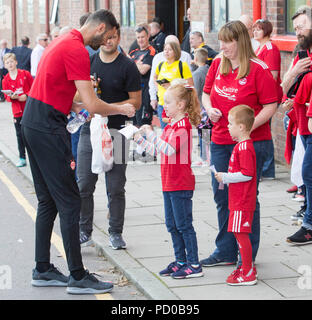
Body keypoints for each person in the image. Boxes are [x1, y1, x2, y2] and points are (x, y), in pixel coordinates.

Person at [21, 9, 135, 295]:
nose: (107, 41)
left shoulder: (62, 40)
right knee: (71, 201)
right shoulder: (77, 49)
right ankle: (78, 275)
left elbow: (58, 89)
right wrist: (121, 108)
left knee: (47, 200)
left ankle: (43, 268)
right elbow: (94, 105)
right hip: (48, 127)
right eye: (108, 36)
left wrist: (71, 105)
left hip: (33, 121)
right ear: (99, 28)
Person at [201, 20, 278, 268]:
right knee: (222, 196)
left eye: (228, 41)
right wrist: (210, 108)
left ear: (241, 42)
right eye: (221, 41)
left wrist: (246, 128)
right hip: (221, 141)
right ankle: (225, 249)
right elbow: (205, 93)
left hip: (250, 144)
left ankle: (247, 255)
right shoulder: (216, 64)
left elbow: (271, 105)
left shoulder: (259, 69)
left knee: (246, 199)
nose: (222, 46)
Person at [77, 25, 141, 249]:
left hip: (119, 132)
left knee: (115, 187)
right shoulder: (88, 62)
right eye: (105, 38)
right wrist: (86, 99)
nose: (108, 41)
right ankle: (84, 231)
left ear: (118, 38)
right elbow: (77, 95)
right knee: (84, 184)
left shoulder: (128, 66)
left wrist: (105, 108)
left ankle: (115, 232)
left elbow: (136, 101)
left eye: (113, 37)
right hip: (90, 130)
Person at [134, 79, 203, 279]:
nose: (165, 105)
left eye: (168, 102)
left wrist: (150, 133)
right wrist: (140, 139)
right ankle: (181, 260)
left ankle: (194, 264)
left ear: (180, 105)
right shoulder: (172, 125)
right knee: (172, 225)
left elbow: (169, 149)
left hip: (180, 183)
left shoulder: (183, 126)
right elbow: (159, 151)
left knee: (184, 225)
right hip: (169, 182)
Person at [215, 105, 257, 285]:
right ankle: (246, 267)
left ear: (241, 127)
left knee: (241, 235)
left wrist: (225, 177)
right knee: (238, 233)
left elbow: (247, 174)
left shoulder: (245, 148)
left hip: (242, 200)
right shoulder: (241, 146)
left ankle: (247, 271)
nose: (228, 127)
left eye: (231, 124)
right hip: (237, 199)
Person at [282, 6, 312, 224]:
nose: (298, 32)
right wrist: (295, 72)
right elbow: (283, 87)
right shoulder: (301, 55)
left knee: (308, 172)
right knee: (306, 172)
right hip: (301, 122)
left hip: (308, 120)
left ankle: (309, 221)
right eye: (295, 28)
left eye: (301, 27)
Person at [253, 19, 283, 180]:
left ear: (266, 31)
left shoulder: (270, 49)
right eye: (254, 29)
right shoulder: (259, 48)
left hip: (268, 97)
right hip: (260, 96)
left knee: (264, 130)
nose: (255, 32)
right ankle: (265, 168)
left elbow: (273, 76)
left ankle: (267, 169)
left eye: (259, 29)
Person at [149, 35, 192, 125]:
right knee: (166, 132)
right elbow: (154, 77)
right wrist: (158, 88)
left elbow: (190, 85)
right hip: (163, 104)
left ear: (175, 51)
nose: (166, 52)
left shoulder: (182, 65)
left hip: (177, 105)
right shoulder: (161, 64)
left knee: (178, 132)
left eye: (170, 49)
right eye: (165, 49)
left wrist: (171, 86)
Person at [2, 53, 33, 167]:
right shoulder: (5, 80)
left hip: (29, 109)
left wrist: (27, 95)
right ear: (5, 65)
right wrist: (11, 97)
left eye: (11, 61)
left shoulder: (25, 74)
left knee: (31, 134)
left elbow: (35, 88)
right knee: (19, 135)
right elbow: (6, 97)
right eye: (7, 62)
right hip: (17, 111)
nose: (10, 64)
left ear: (16, 62)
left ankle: (34, 157)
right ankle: (22, 157)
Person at [129, 25, 156, 127]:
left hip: (145, 94)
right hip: (132, 93)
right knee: (132, 123)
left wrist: (132, 63)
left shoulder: (151, 51)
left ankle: (148, 143)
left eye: (142, 37)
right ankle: (137, 143)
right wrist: (136, 64)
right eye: (138, 37)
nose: (140, 40)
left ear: (148, 36)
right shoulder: (133, 52)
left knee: (144, 124)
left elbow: (143, 70)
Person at [192, 48, 210, 167]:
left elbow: (195, 93)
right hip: (209, 106)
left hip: (201, 108)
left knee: (203, 134)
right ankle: (205, 157)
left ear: (196, 58)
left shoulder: (197, 73)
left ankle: (204, 159)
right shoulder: (209, 70)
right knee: (206, 134)